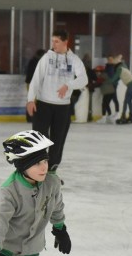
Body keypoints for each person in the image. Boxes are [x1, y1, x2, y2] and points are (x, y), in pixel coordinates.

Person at [26, 30, 88, 175]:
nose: (53, 44)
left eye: (56, 41)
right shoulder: (46, 58)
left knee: (58, 141)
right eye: (52, 41)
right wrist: (30, 99)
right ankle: (37, 171)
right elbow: (36, 80)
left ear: (66, 42)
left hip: (63, 108)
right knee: (39, 140)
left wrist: (69, 85)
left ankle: (52, 172)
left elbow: (83, 79)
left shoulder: (74, 60)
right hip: (43, 105)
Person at [114, 55, 132, 124]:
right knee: (129, 100)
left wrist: (107, 81)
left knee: (126, 101)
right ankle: (131, 116)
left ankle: (123, 116)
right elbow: (119, 78)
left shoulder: (119, 69)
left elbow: (114, 78)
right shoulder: (124, 67)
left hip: (131, 84)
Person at [24, 49, 46, 123]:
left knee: (33, 100)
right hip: (32, 83)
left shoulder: (34, 61)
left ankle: (32, 117)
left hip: (32, 83)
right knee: (32, 100)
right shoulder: (35, 62)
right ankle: (30, 117)